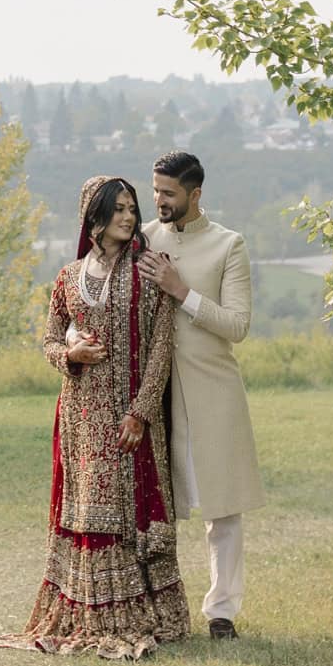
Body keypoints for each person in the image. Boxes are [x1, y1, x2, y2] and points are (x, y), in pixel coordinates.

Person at [0, 176, 190, 659]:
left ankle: (135, 613)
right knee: (83, 511)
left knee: (126, 513)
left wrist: (141, 413)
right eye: (118, 209)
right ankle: (83, 609)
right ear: (94, 218)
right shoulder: (67, 277)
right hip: (79, 418)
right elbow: (50, 341)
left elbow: (163, 345)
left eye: (131, 208)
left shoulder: (150, 271)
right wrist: (71, 354)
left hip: (128, 419)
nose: (128, 217)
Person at [138, 150, 266, 640]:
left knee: (222, 508)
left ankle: (222, 614)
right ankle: (150, 605)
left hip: (214, 394)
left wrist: (181, 290)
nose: (159, 200)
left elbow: (237, 325)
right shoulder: (144, 238)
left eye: (168, 193)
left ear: (195, 194)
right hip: (157, 395)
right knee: (152, 505)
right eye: (155, 191)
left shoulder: (228, 245)